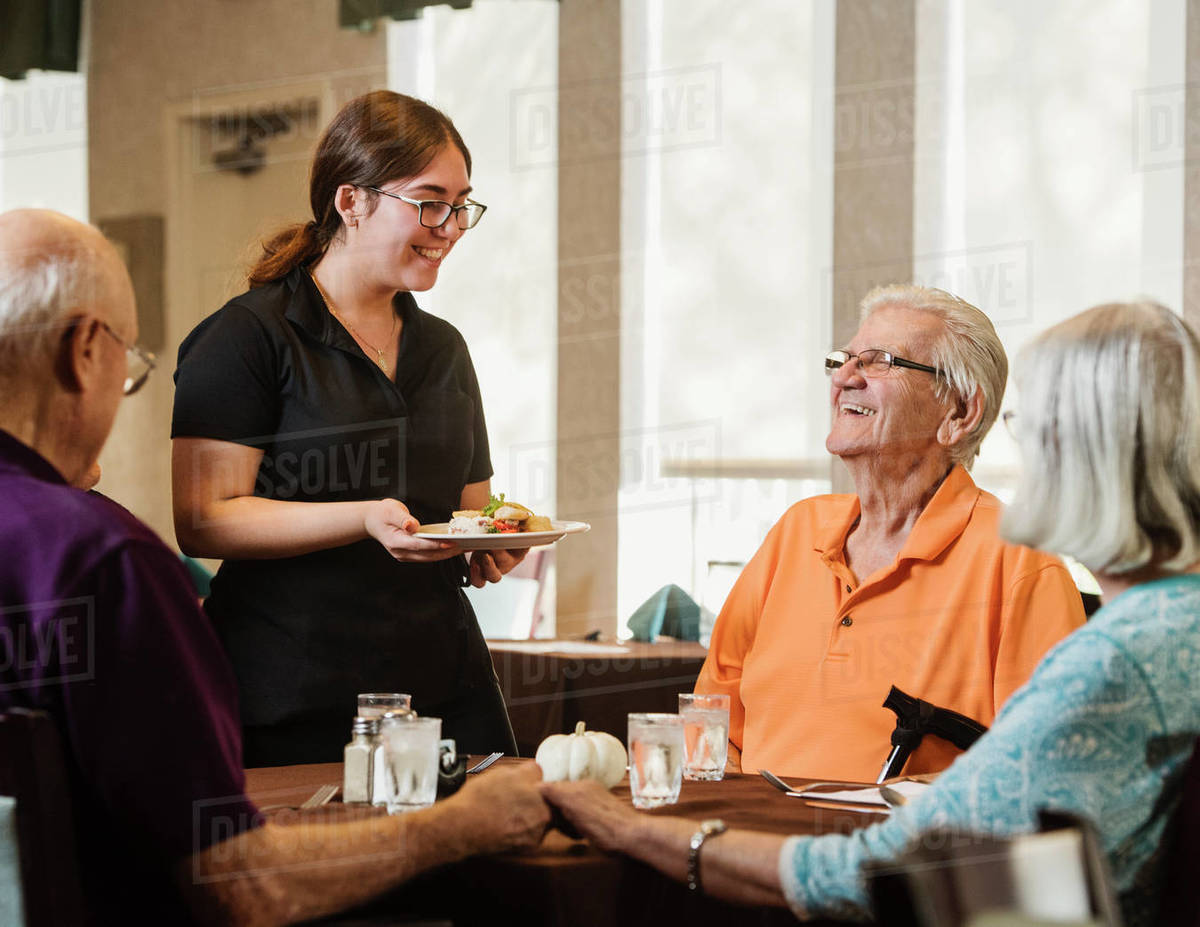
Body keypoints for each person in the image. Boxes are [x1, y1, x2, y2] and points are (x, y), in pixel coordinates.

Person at [543, 299, 1200, 926]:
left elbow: (880, 872)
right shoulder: (1170, 629)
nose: (845, 376)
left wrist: (634, 828)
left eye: (1035, 428)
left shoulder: (1114, 656)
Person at [0, 208, 550, 925]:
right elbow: (241, 884)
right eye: (130, 366)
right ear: (83, 351)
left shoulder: (441, 347)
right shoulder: (104, 564)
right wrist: (463, 824)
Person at [172, 91, 525, 766]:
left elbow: (471, 508)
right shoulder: (246, 338)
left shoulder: (444, 347)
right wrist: (362, 516)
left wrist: (493, 544)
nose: (448, 225)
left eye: (460, 205)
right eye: (428, 201)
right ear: (350, 201)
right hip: (292, 693)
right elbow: (203, 518)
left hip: (442, 692)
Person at [695, 284, 1086, 780]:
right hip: (749, 843)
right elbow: (711, 716)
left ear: (960, 413)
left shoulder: (1019, 561)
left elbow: (1047, 773)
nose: (846, 378)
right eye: (844, 360)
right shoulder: (797, 530)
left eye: (880, 361)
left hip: (902, 851)